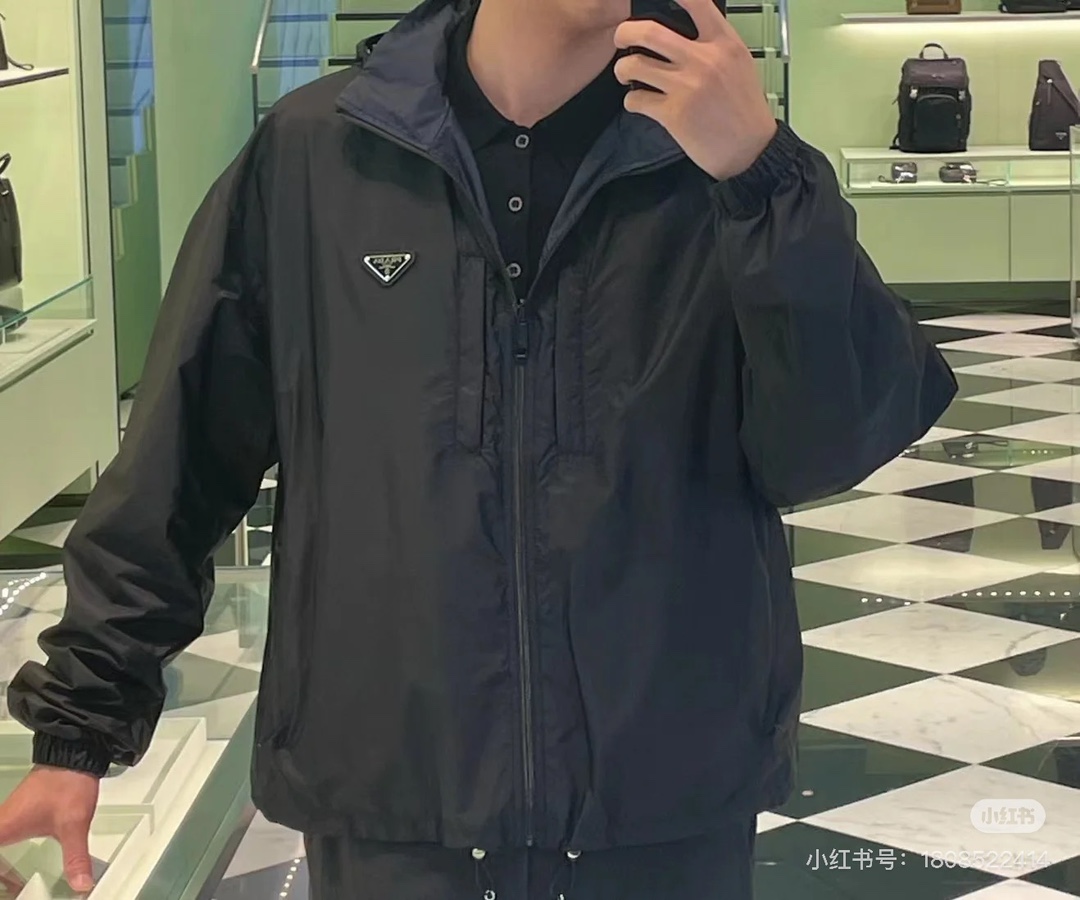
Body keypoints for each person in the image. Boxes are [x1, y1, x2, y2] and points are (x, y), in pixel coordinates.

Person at [0, 0, 957, 896]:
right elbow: (182, 452)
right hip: (392, 802)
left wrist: (762, 174)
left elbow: (837, 441)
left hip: (662, 799)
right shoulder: (321, 155)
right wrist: (80, 726)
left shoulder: (720, 164)